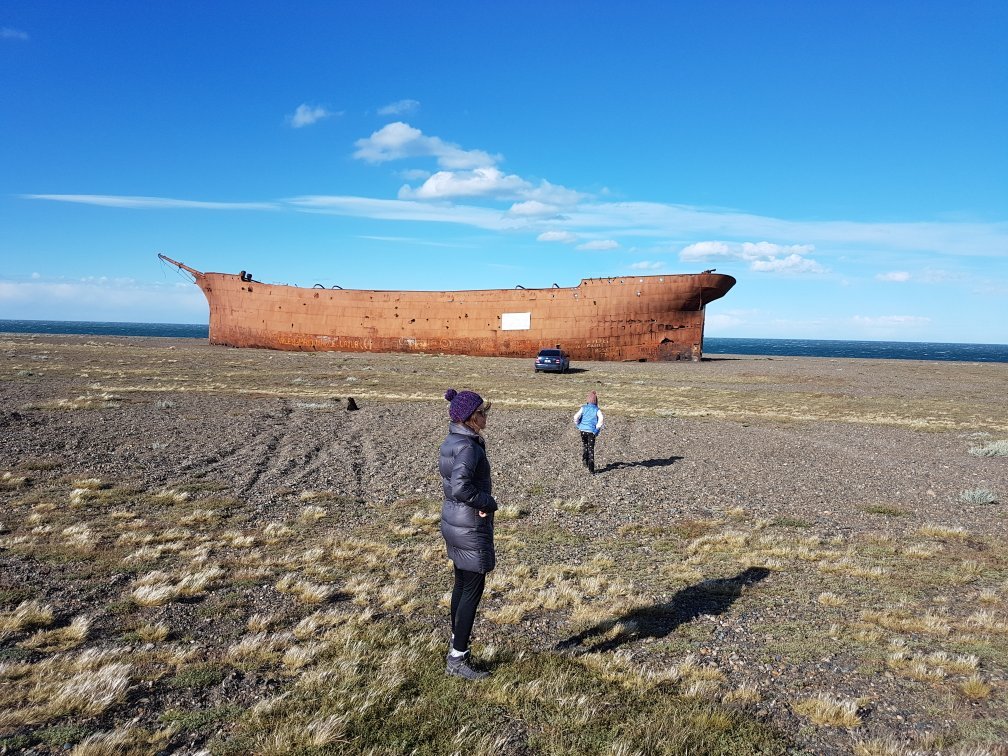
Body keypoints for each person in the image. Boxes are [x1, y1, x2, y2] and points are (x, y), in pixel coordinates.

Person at [439, 388, 497, 680]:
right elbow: (462, 487)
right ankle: (458, 659)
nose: (486, 416)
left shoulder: (452, 440)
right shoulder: (469, 447)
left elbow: (453, 485)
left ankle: (456, 645)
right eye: (482, 412)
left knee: (461, 585)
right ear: (471, 418)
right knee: (472, 589)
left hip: (454, 521)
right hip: (469, 527)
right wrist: (487, 502)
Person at [573, 391, 604, 474]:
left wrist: (578, 424)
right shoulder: (597, 410)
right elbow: (601, 419)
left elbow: (576, 417)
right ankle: (591, 468)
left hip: (582, 430)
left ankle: (584, 459)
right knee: (591, 448)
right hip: (591, 431)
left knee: (585, 445)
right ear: (596, 402)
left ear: (587, 400)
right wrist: (597, 429)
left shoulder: (583, 408)